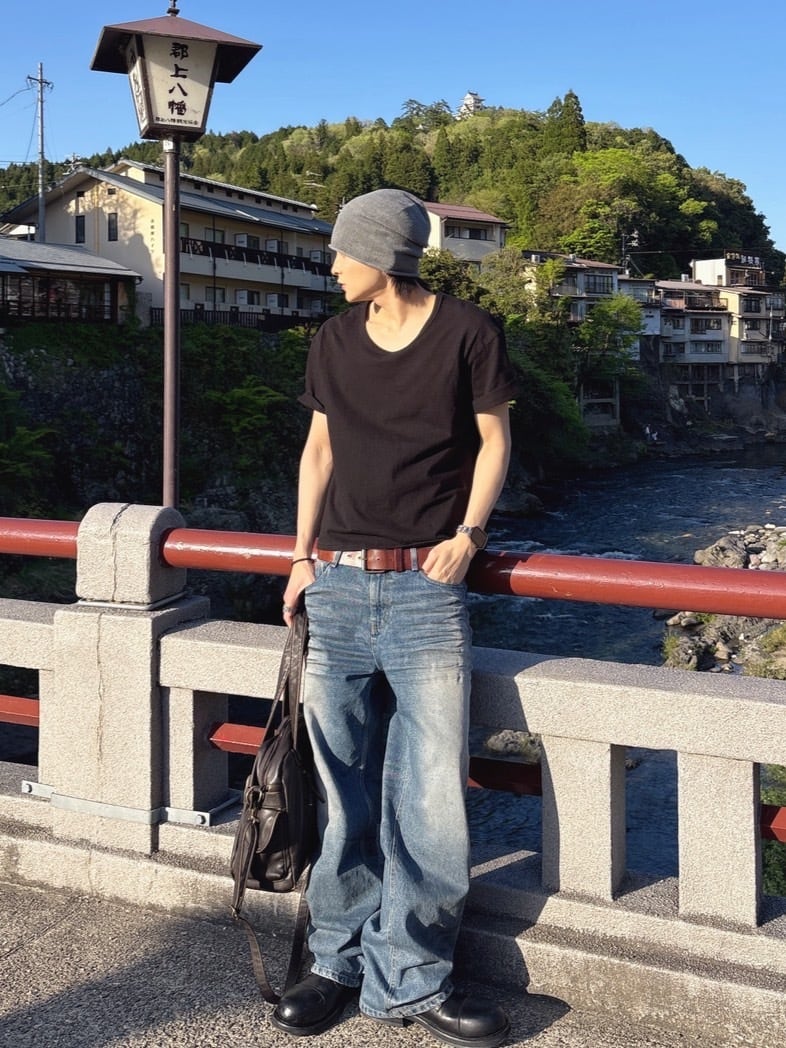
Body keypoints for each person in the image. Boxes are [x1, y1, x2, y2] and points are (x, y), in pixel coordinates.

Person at [275, 188, 518, 1047]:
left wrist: (469, 535)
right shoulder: (333, 340)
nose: (333, 264)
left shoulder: (468, 333)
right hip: (339, 584)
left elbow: (494, 440)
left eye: (342, 251)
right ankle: (335, 961)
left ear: (381, 254)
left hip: (425, 589)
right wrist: (299, 556)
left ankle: (411, 977)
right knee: (340, 787)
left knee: (430, 796)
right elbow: (319, 450)